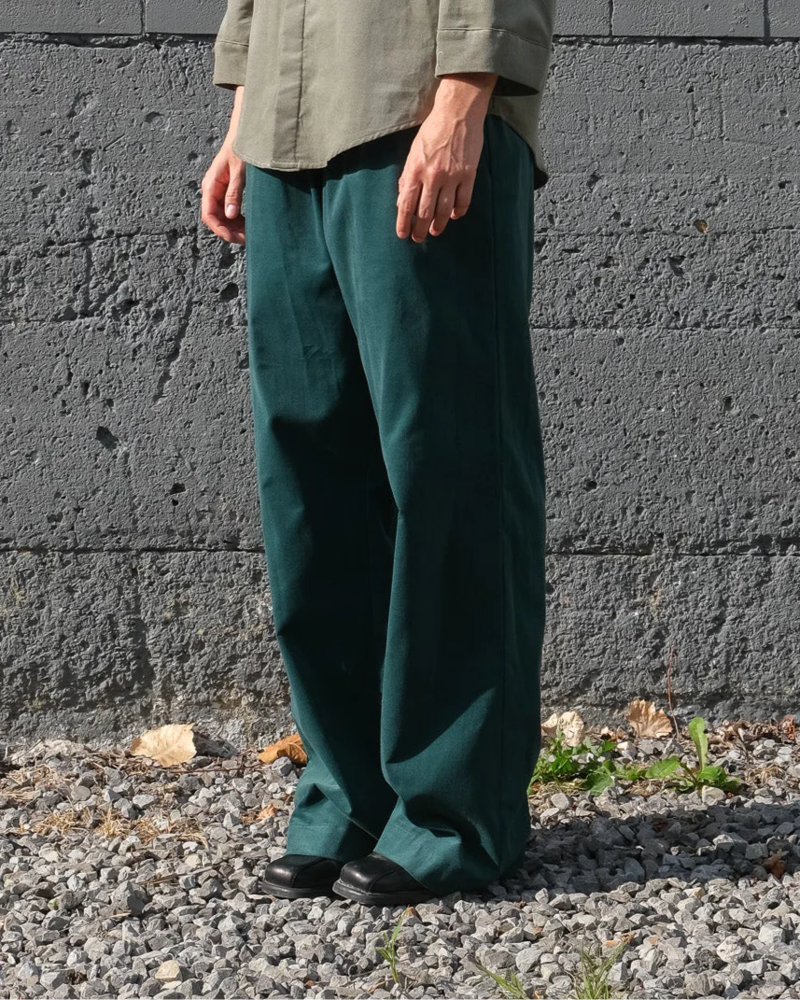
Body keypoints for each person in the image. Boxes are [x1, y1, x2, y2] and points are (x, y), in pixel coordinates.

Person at [201, 0, 555, 906]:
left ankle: (457, 811)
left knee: (449, 463)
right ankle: (351, 797)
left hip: (410, 102)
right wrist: (246, 112)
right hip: (286, 124)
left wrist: (464, 97)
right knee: (310, 476)